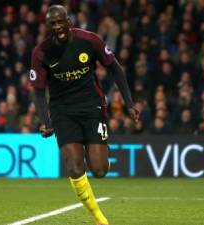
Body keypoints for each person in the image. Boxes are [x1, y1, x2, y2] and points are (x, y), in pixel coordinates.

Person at [29, 5, 139, 225]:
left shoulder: (89, 40)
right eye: (52, 23)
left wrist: (129, 103)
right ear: (48, 26)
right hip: (63, 111)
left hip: (92, 107)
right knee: (74, 166)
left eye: (60, 21)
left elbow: (115, 68)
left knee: (99, 169)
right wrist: (46, 121)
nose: (57, 27)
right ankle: (99, 219)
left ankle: (98, 145)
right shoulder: (41, 52)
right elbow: (39, 91)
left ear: (68, 21)